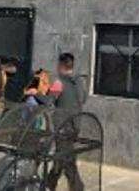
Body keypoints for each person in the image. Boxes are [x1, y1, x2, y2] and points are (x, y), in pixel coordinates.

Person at [45, 52, 85, 191]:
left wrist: (35, 93)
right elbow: (83, 99)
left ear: (61, 65)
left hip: (62, 126)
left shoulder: (59, 83)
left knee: (67, 158)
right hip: (75, 124)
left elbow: (49, 101)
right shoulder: (79, 81)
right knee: (63, 155)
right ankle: (49, 183)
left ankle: (77, 187)